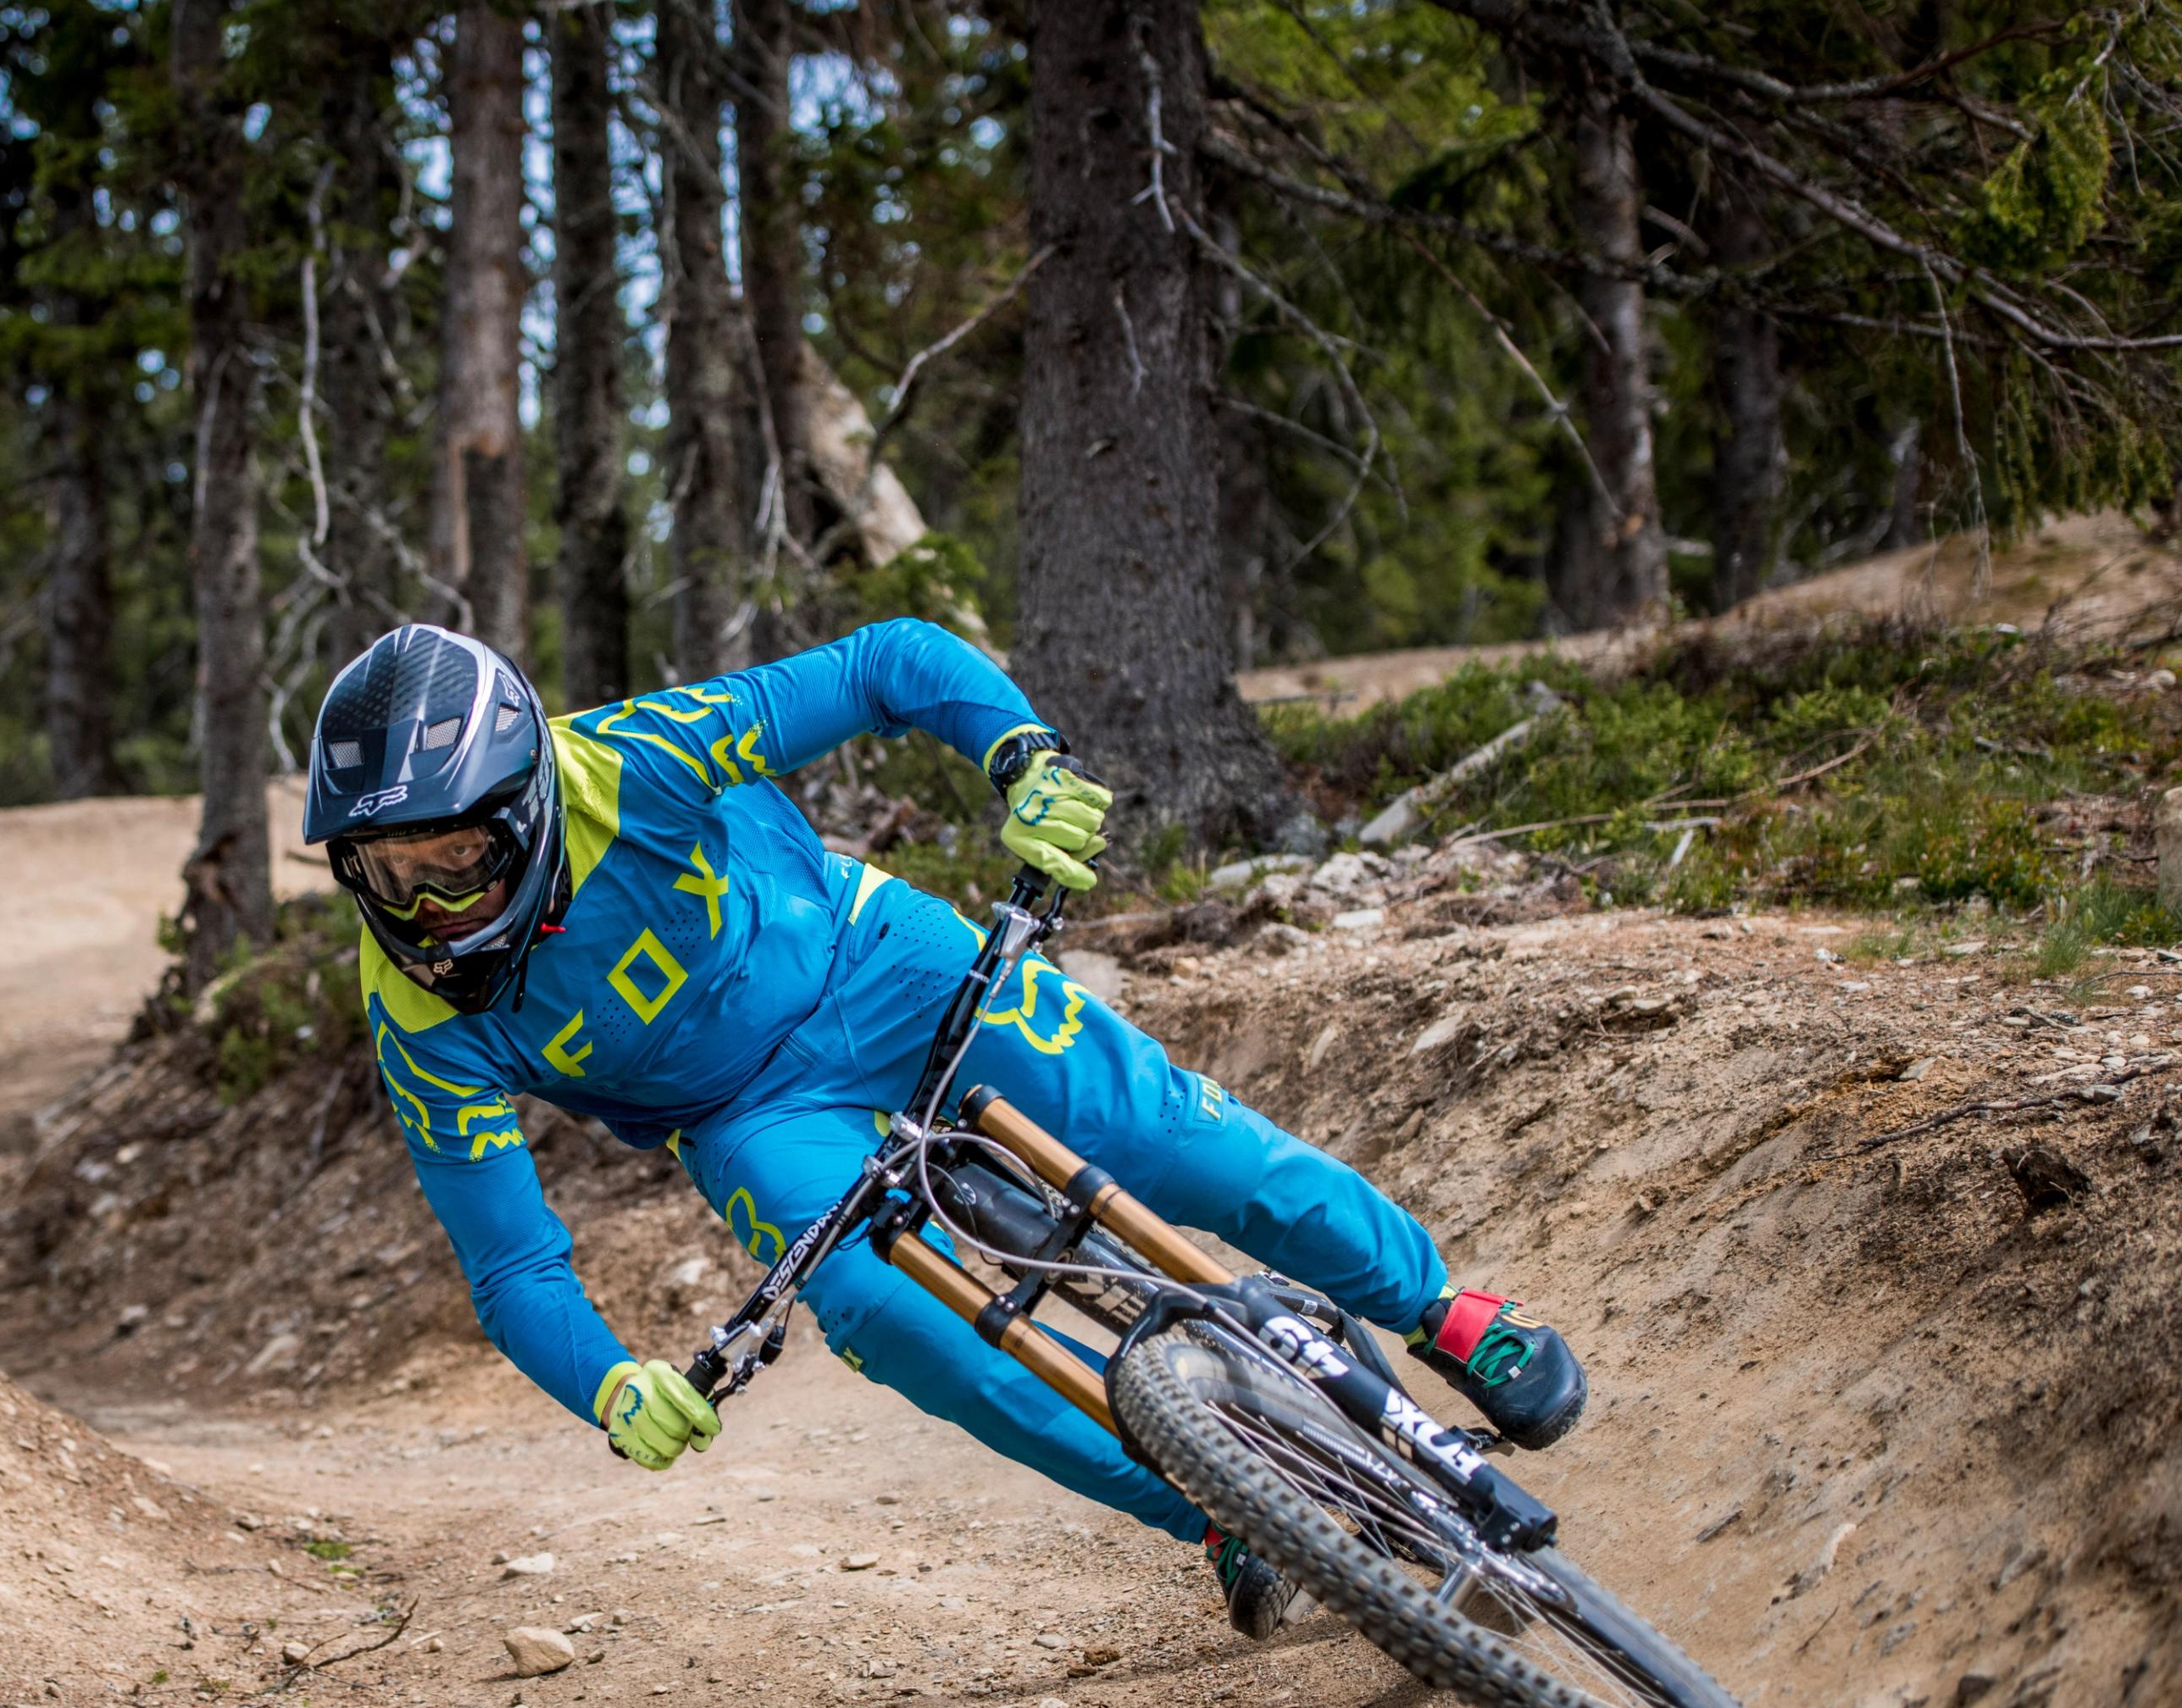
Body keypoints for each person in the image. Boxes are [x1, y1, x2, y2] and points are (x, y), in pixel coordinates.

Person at [306, 618, 1583, 1637]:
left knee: (1177, 1143)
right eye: (385, 874)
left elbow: (882, 665)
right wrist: (608, 1385)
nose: (423, 908)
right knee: (887, 1318)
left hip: (879, 962)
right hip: (747, 1119)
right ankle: (1220, 1509)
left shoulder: (636, 761)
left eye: (453, 860)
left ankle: (1448, 1314)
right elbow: (515, 1266)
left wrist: (1023, 760)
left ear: (525, 807)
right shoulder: (417, 1019)